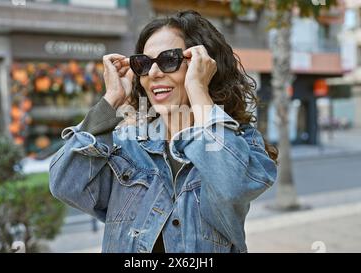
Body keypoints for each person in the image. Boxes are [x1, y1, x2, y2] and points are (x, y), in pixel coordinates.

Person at [49, 10, 278, 253]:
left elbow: (233, 186)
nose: (155, 73)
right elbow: (65, 185)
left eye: (169, 60)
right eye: (144, 64)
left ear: (202, 66)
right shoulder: (127, 145)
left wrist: (198, 89)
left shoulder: (240, 144)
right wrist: (111, 101)